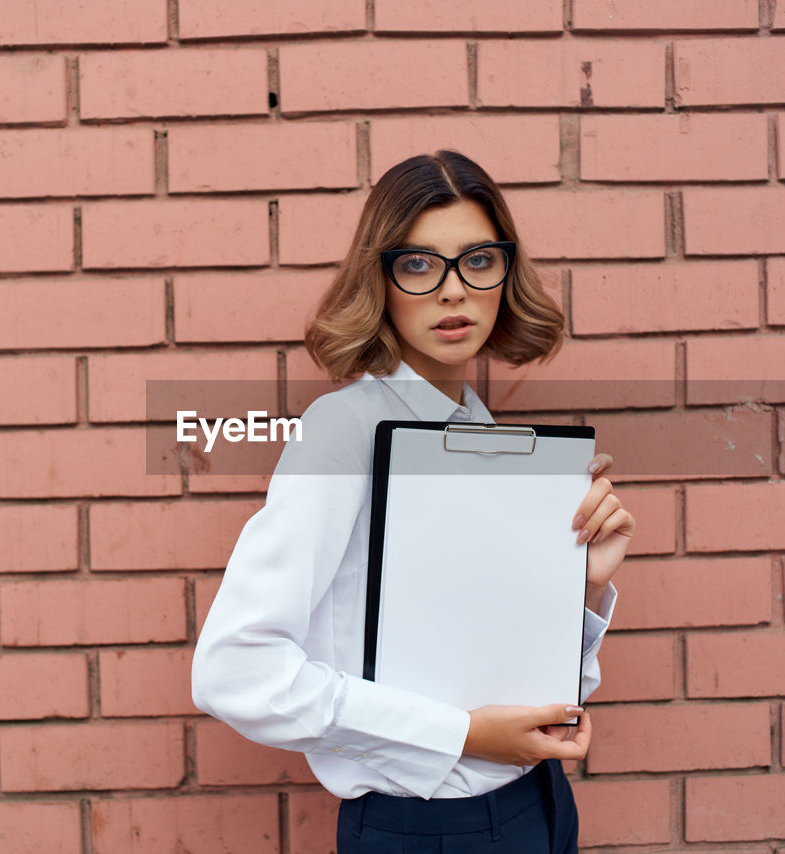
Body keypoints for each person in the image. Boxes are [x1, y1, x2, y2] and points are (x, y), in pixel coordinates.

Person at [191, 150, 635, 852]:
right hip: (426, 831)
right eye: (421, 265)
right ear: (383, 279)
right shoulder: (345, 431)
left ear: (504, 273)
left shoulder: (482, 434)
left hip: (539, 808)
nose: (454, 291)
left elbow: (494, 666)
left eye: (478, 260)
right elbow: (232, 670)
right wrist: (460, 735)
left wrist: (582, 587)